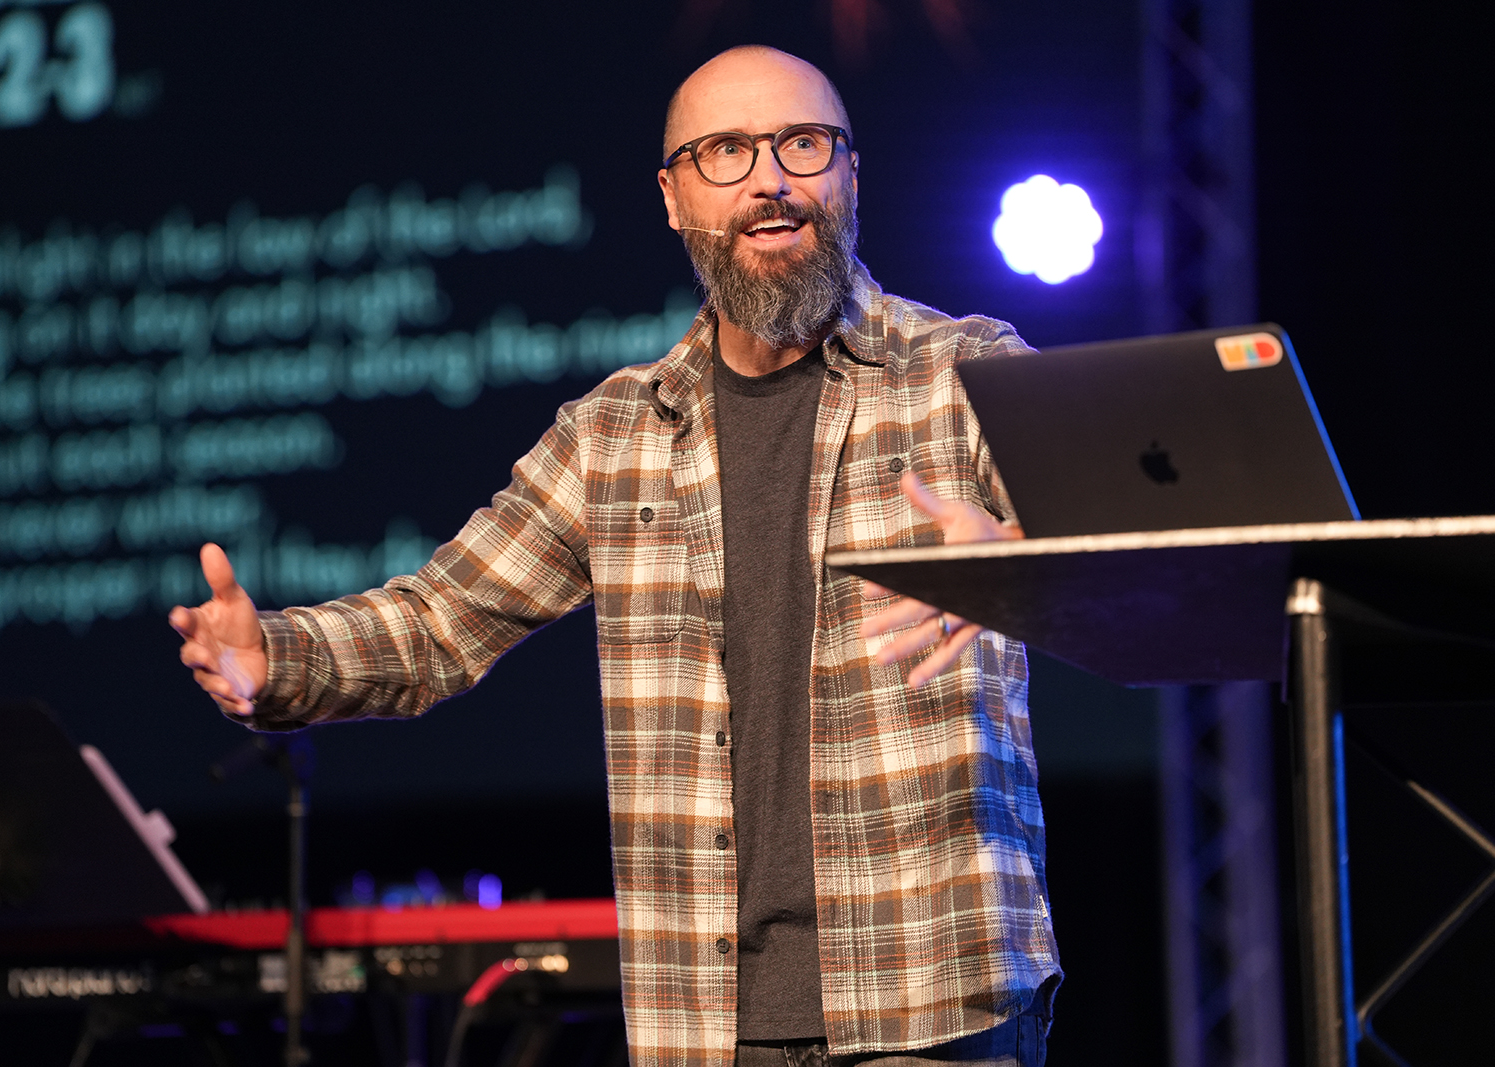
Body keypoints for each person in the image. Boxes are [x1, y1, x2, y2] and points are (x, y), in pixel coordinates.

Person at [173, 45, 1060, 1067]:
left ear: (850, 175)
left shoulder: (965, 370)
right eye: (726, 151)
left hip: (934, 997)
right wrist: (277, 656)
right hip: (706, 1021)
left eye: (803, 144)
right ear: (674, 197)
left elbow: (1142, 542)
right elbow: (438, 620)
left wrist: (1023, 557)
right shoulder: (614, 434)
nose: (770, 180)